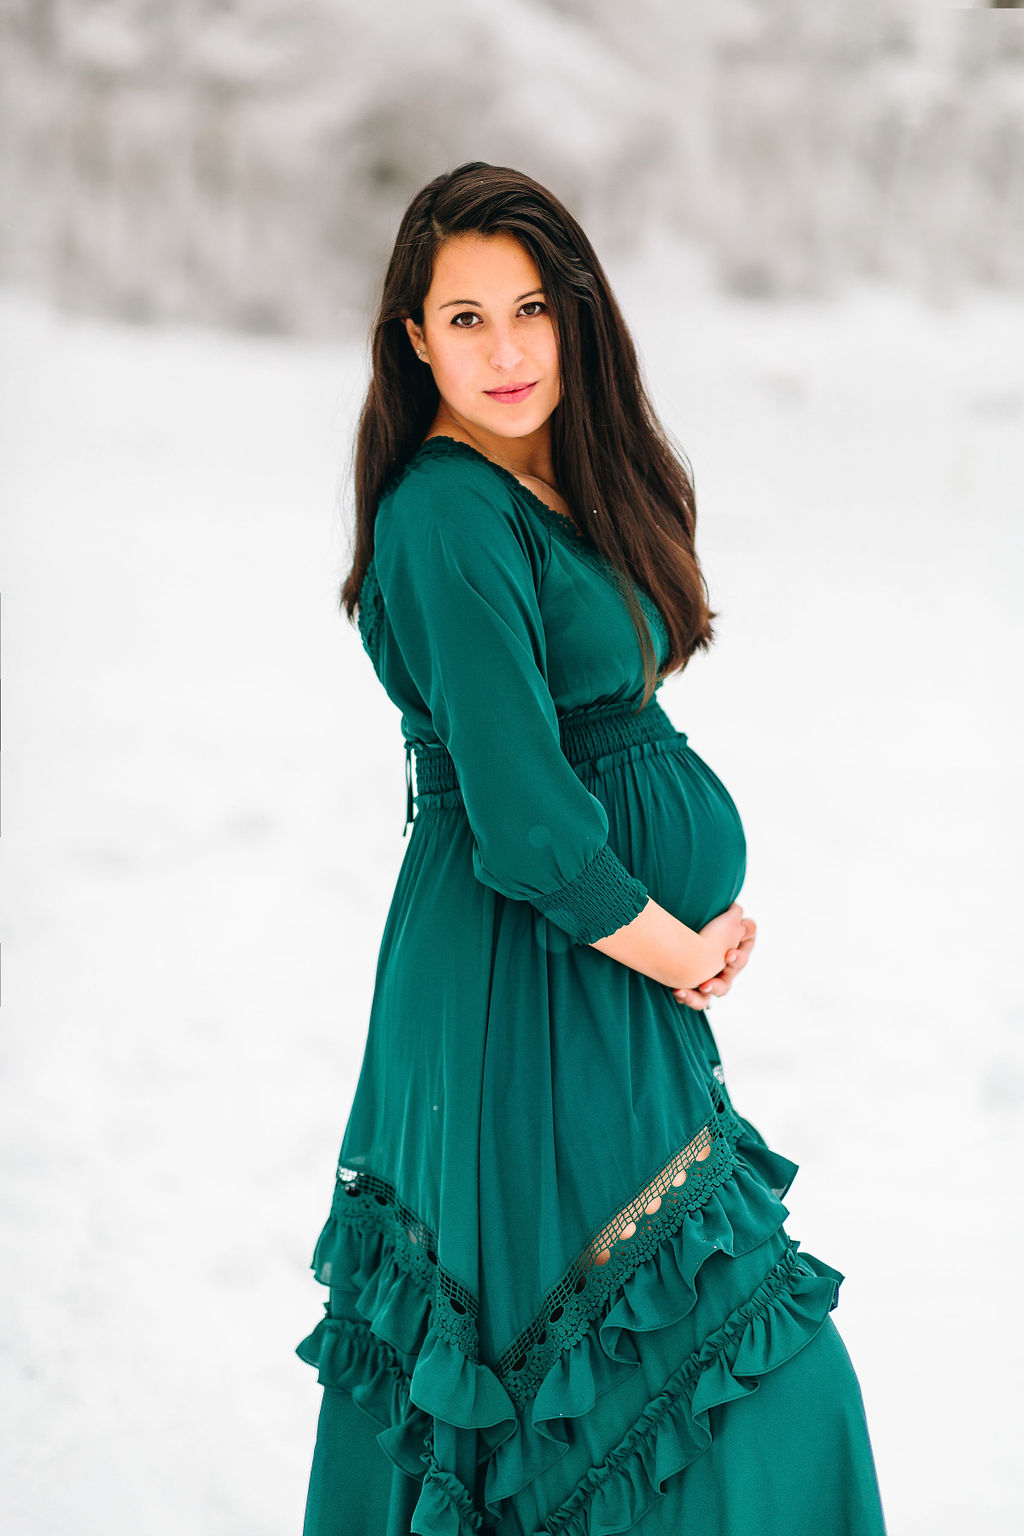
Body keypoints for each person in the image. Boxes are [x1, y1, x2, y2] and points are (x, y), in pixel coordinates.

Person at [295, 161, 887, 1536]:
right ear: (413, 342)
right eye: (464, 319)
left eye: (530, 310)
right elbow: (522, 817)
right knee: (636, 1381)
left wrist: (678, 935)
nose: (506, 352)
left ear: (576, 316)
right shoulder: (446, 516)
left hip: (606, 968)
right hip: (524, 982)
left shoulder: (563, 483)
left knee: (690, 1376)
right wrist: (679, 945)